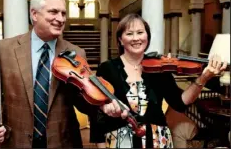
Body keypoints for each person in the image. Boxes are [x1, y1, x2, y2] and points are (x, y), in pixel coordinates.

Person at [0, 0, 126, 148]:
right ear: (34, 14)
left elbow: (81, 100)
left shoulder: (76, 53)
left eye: (63, 13)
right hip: (15, 141)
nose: (60, 19)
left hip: (63, 142)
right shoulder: (5, 49)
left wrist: (102, 105)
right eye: (53, 12)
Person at [89, 13, 227, 148]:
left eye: (140, 32)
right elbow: (97, 113)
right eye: (129, 34)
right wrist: (100, 144)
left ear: (147, 36)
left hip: (158, 140)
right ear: (120, 39)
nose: (136, 38)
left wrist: (203, 77)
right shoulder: (107, 69)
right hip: (118, 140)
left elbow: (180, 103)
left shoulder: (159, 69)